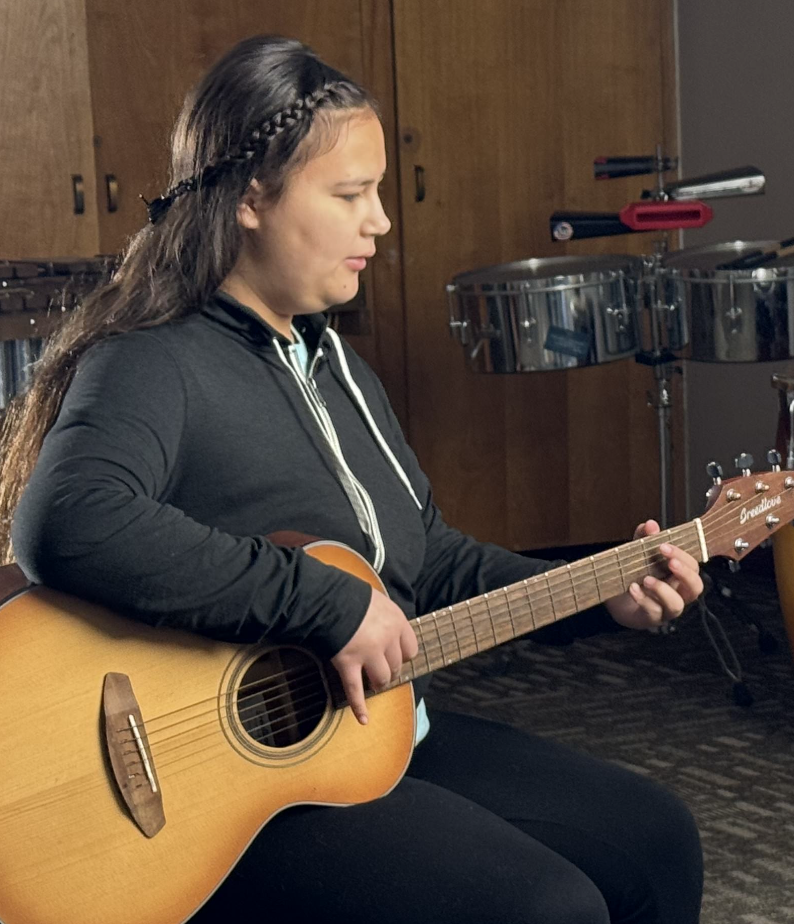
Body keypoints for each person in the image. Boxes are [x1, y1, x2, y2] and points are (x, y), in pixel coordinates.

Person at [1, 36, 705, 924]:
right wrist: (323, 603)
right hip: (222, 791)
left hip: (379, 737)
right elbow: (68, 520)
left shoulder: (337, 365)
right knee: (544, 908)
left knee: (657, 838)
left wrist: (600, 591)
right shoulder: (153, 358)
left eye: (377, 193)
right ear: (250, 198)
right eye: (349, 195)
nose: (380, 222)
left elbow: (423, 560)